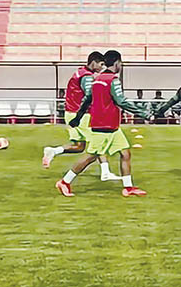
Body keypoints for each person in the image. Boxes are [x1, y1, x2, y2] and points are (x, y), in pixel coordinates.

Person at [58, 50, 150, 197]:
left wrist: (78, 117)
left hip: (110, 126)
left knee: (125, 152)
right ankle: (65, 181)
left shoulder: (96, 79)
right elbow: (121, 101)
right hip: (104, 126)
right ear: (117, 63)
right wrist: (143, 113)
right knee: (90, 156)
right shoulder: (113, 80)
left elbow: (87, 99)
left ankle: (128, 187)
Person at [42, 52, 119, 181]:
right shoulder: (87, 77)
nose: (102, 68)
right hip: (81, 115)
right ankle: (105, 172)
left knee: (79, 146)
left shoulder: (79, 72)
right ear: (93, 62)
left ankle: (53, 151)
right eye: (101, 65)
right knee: (98, 142)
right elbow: (90, 94)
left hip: (70, 112)